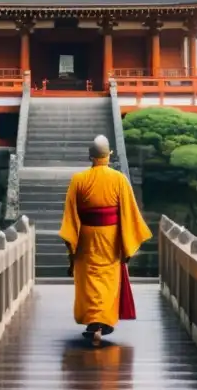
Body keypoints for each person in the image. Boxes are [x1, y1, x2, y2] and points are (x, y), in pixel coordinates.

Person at [58, 135, 152, 347]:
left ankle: (93, 323)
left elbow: (71, 216)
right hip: (110, 236)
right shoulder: (119, 179)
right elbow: (129, 213)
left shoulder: (78, 179)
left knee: (89, 279)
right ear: (109, 156)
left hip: (86, 236)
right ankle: (103, 323)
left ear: (90, 157)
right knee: (108, 279)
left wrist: (71, 246)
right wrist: (127, 243)